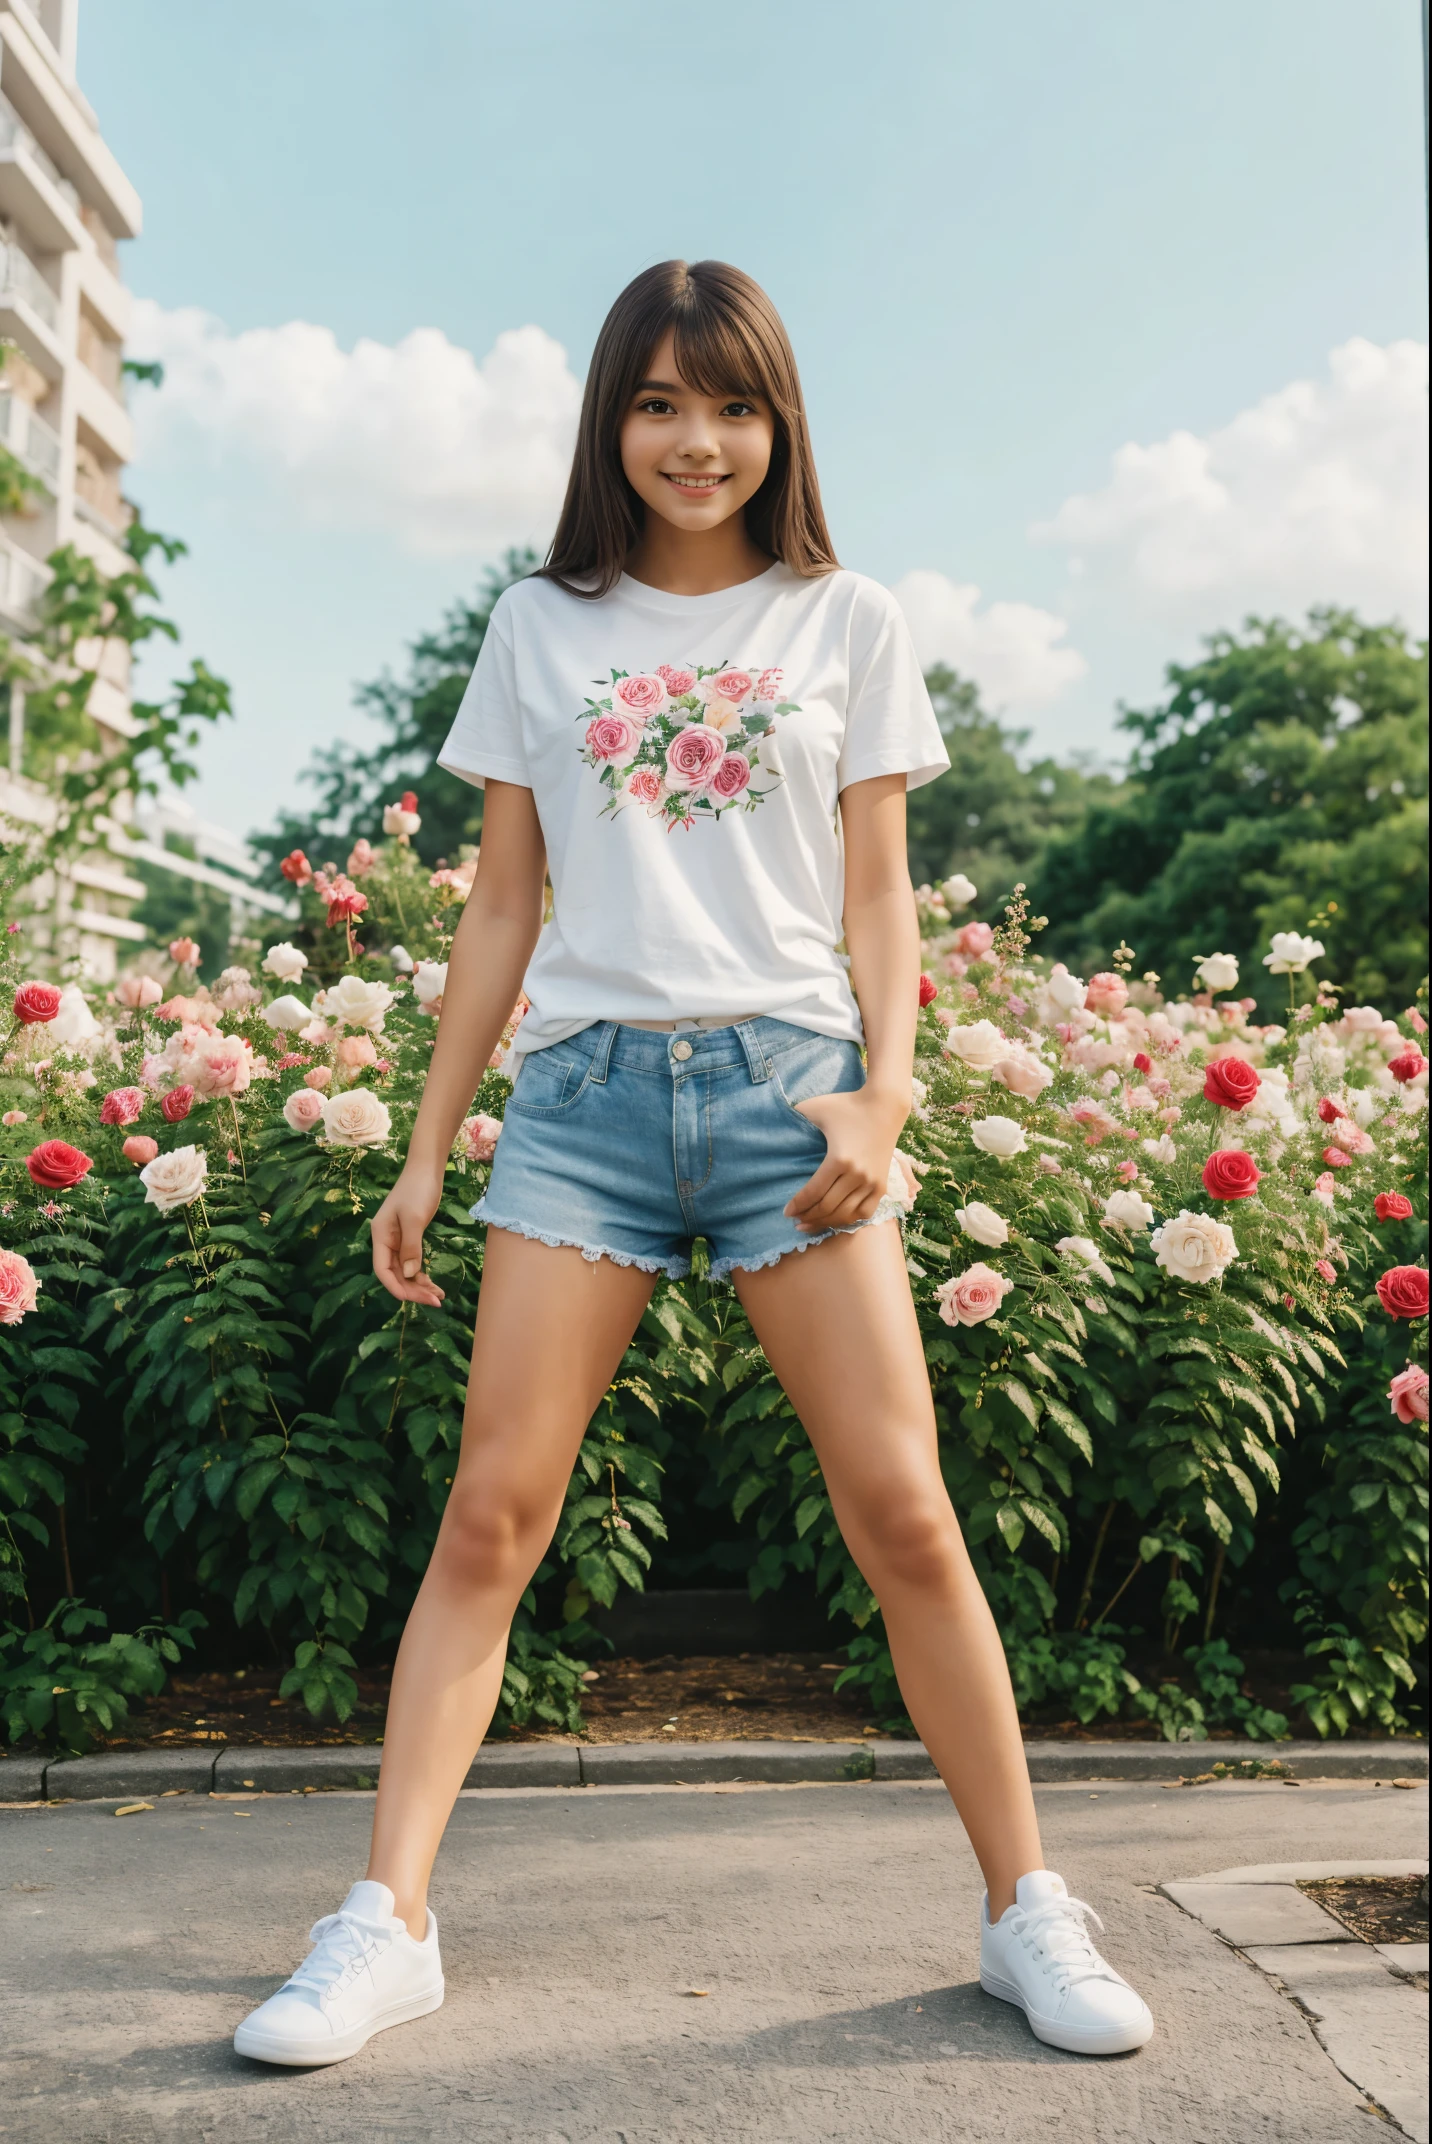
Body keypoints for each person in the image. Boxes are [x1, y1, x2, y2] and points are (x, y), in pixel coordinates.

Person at [234, 260, 1153, 2068]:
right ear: (613, 425)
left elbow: (877, 893)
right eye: (657, 405)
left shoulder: (848, 618)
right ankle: (385, 1924)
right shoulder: (539, 624)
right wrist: (426, 1149)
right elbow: (503, 902)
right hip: (579, 1103)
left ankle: (1027, 1912)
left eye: (729, 405)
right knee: (492, 1517)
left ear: (778, 422)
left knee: (904, 1516)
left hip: (789, 1099)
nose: (696, 440)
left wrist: (887, 1100)